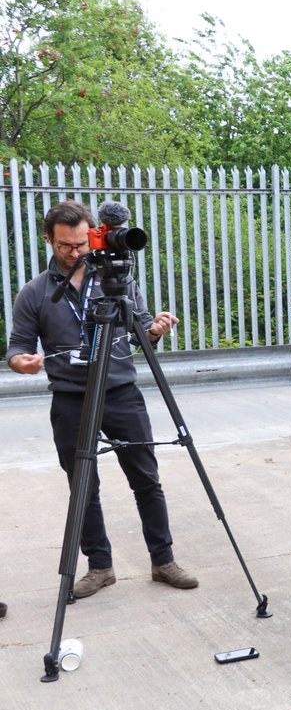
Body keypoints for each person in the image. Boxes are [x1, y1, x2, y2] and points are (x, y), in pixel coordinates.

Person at [5, 199, 198, 598]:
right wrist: (21, 362)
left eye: (80, 244)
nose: (75, 253)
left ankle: (163, 561)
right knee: (83, 487)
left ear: (93, 235)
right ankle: (100, 566)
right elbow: (17, 347)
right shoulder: (35, 292)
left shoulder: (117, 279)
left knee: (146, 480)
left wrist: (157, 327)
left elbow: (143, 328)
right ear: (49, 240)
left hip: (121, 392)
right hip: (71, 399)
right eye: (65, 246)